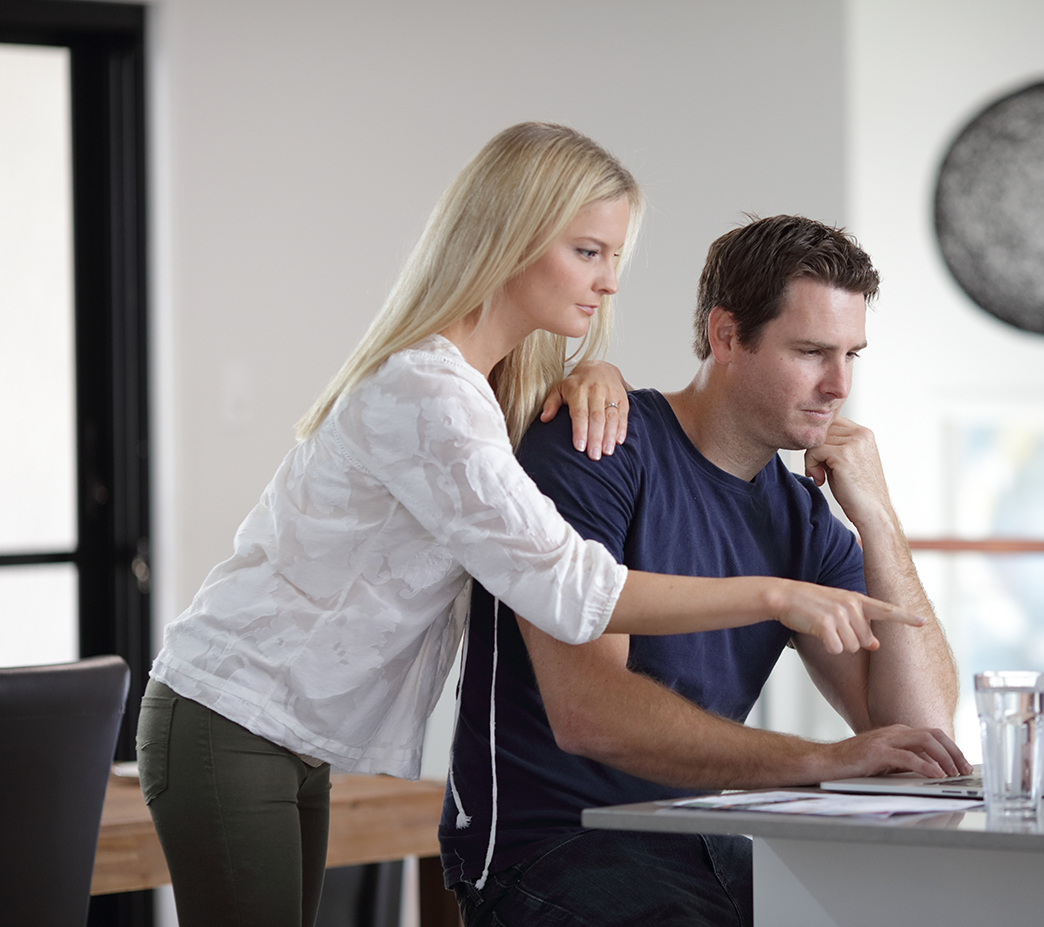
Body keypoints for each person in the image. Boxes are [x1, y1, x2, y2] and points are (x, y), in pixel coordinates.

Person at [135, 126, 924, 927]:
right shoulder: (429, 392)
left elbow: (915, 726)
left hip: (287, 733)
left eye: (613, 256)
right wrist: (775, 598)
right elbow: (570, 587)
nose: (609, 282)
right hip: (229, 709)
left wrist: (593, 370)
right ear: (511, 237)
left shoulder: (490, 390)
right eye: (588, 251)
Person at [440, 214, 969, 926]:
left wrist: (878, 517)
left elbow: (920, 730)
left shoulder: (803, 515)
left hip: (699, 841)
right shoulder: (596, 444)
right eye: (811, 351)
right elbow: (590, 713)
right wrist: (831, 758)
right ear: (726, 336)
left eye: (852, 355)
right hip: (557, 845)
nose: (838, 383)